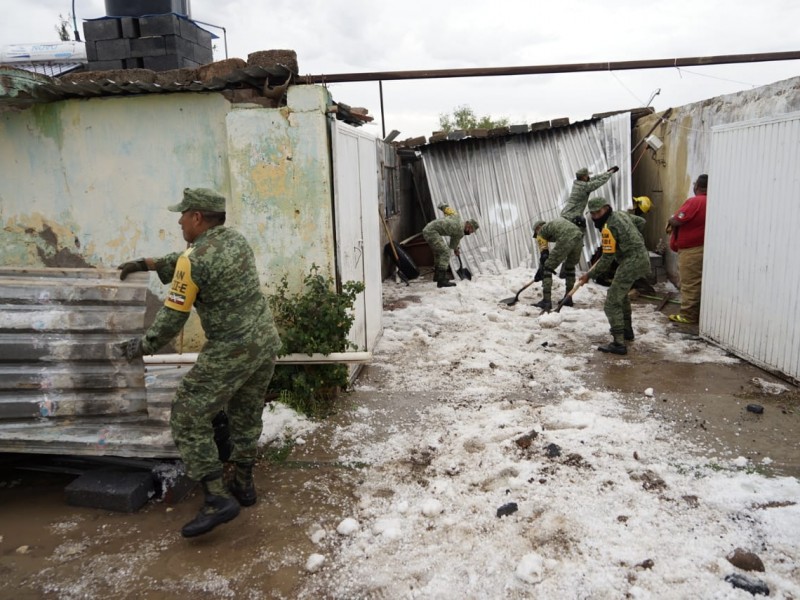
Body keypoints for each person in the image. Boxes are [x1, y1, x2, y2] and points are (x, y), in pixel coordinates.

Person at [116, 187, 282, 538]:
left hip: (231, 350)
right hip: (265, 344)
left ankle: (216, 498)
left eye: (182, 214)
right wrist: (150, 263)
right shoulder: (236, 241)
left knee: (188, 414)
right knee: (245, 414)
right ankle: (244, 485)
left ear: (197, 218)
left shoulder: (194, 260)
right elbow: (191, 260)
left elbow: (173, 317)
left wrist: (140, 346)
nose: (178, 220)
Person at [579, 197, 650, 355]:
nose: (596, 216)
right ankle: (627, 332)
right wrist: (631, 238)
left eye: (598, 212)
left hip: (631, 262)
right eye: (593, 213)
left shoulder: (608, 228)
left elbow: (606, 259)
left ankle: (618, 343)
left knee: (611, 302)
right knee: (621, 295)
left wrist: (589, 275)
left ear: (606, 208)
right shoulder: (621, 215)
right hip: (640, 257)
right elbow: (640, 222)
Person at [666, 174, 708, 324]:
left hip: (692, 250)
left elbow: (677, 220)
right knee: (698, 282)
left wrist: (671, 219)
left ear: (697, 186)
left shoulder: (696, 201)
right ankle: (696, 313)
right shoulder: (712, 201)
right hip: (702, 247)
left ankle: (688, 315)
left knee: (690, 283)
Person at [531, 217, 584, 310]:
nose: (537, 235)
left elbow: (544, 256)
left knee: (547, 268)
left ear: (538, 227)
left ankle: (546, 301)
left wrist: (541, 270)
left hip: (566, 237)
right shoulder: (555, 224)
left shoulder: (541, 231)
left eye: (536, 232)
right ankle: (568, 298)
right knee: (570, 267)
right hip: (579, 237)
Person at [422, 204, 479, 288]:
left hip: (428, 229)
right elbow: (452, 245)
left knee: (439, 253)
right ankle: (441, 281)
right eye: (472, 231)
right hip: (432, 233)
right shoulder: (460, 231)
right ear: (469, 226)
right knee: (445, 253)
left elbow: (447, 210)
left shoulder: (457, 217)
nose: (470, 233)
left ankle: (437, 277)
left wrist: (442, 206)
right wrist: (456, 250)